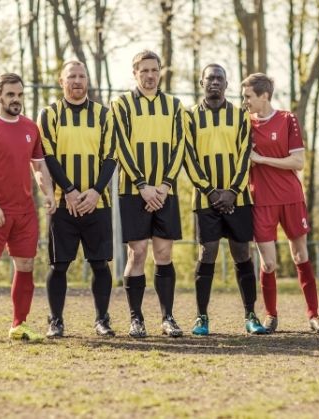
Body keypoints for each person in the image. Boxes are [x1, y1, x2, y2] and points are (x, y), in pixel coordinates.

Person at [0, 73, 56, 342]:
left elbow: (38, 165)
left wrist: (48, 192)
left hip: (25, 211)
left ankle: (19, 324)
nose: (16, 100)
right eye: (10, 95)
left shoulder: (30, 127)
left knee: (26, 265)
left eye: (20, 95)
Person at [240, 73, 319, 333]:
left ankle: (314, 315)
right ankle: (270, 315)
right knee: (268, 264)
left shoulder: (287, 119)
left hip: (290, 198)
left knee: (300, 255)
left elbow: (298, 162)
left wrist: (262, 159)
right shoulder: (244, 124)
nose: (245, 101)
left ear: (264, 95)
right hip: (261, 200)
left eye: (248, 96)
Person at [183, 64, 268, 335]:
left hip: (238, 198)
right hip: (205, 199)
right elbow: (189, 158)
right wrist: (210, 192)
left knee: (242, 253)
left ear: (227, 84)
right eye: (210, 78)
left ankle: (251, 315)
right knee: (206, 253)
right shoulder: (190, 117)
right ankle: (201, 317)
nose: (215, 83)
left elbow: (245, 155)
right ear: (201, 83)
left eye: (220, 78)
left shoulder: (241, 116)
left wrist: (232, 190)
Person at [37, 61, 118, 338]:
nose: (77, 81)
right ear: (62, 81)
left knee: (100, 264)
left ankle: (102, 320)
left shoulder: (104, 115)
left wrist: (95, 191)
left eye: (82, 76)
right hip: (63, 203)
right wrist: (69, 190)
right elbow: (48, 156)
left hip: (98, 202)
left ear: (88, 81)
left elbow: (111, 157)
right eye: (71, 76)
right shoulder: (49, 114)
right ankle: (55, 321)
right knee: (59, 264)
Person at [111, 50, 187, 338]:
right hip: (133, 191)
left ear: (160, 72)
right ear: (135, 73)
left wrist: (165, 185)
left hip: (166, 191)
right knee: (138, 252)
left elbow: (180, 146)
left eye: (154, 70)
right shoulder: (121, 105)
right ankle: (136, 319)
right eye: (144, 70)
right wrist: (143, 185)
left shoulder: (175, 106)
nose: (150, 75)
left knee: (164, 252)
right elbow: (121, 146)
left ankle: (168, 317)